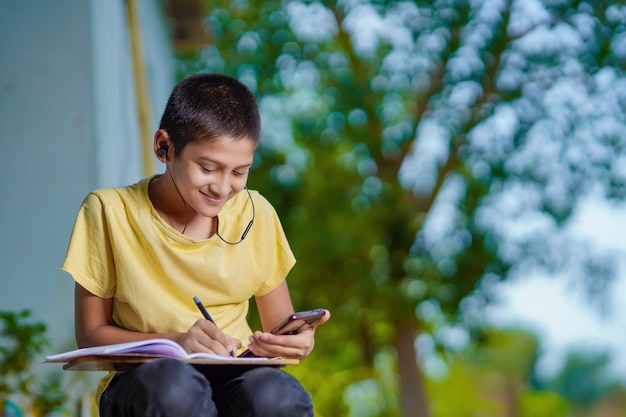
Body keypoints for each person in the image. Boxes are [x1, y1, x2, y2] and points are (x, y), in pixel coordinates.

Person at [61, 72, 330, 417]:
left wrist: (293, 340)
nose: (222, 188)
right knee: (174, 390)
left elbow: (278, 320)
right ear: (164, 146)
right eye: (208, 168)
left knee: (277, 396)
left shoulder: (256, 213)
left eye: (238, 172)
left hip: (236, 375)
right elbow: (90, 334)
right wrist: (177, 343)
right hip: (146, 381)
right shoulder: (109, 212)